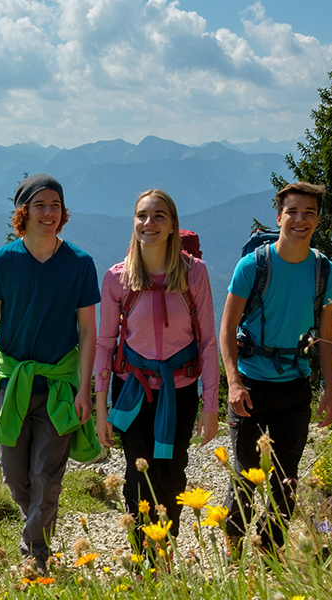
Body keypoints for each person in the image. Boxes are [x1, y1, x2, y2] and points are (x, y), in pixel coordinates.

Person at [0, 173, 102, 574]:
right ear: (23, 213)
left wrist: (86, 389)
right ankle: (38, 530)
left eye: (55, 206)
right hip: (12, 383)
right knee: (17, 479)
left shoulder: (80, 264)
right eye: (40, 205)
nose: (49, 213)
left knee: (46, 477)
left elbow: (87, 331)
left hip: (59, 387)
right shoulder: (0, 263)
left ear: (64, 213)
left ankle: (35, 556)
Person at [218, 181, 332, 555]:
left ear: (318, 220)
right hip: (251, 386)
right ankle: (234, 540)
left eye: (309, 213)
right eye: (292, 211)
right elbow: (225, 328)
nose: (300, 220)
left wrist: (331, 391)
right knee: (245, 475)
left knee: (286, 479)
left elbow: (329, 337)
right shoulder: (252, 266)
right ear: (279, 216)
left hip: (295, 385)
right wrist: (234, 383)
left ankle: (269, 548)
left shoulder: (326, 273)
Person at [92, 189, 217, 544]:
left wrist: (211, 406)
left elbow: (208, 342)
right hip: (133, 390)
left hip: (179, 391)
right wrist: (101, 409)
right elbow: (105, 345)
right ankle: (144, 561)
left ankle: (166, 551)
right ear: (133, 223)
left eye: (159, 215)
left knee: (173, 475)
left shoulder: (195, 274)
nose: (150, 223)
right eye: (143, 216)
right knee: (137, 477)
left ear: (173, 225)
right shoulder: (117, 278)